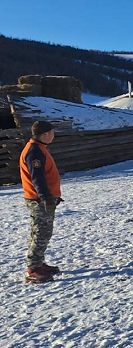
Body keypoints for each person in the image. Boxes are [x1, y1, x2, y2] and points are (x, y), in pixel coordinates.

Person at [20, 120, 62, 283]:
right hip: (39, 200)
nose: (53, 135)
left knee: (41, 232)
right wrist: (45, 198)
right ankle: (33, 269)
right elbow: (37, 177)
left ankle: (38, 263)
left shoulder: (39, 149)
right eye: (52, 132)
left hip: (41, 198)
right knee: (41, 233)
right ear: (45, 134)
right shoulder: (35, 151)